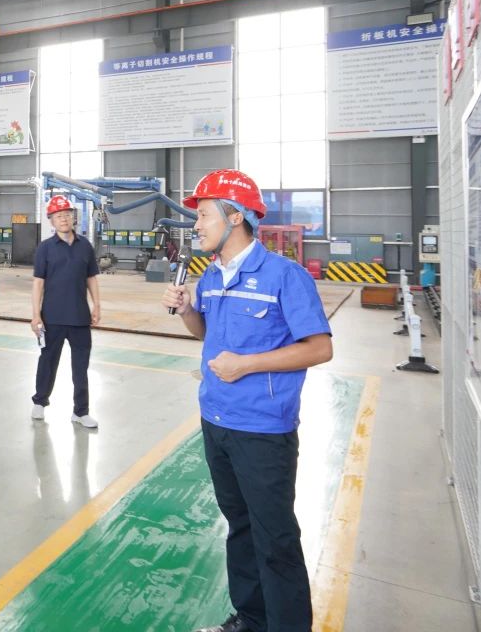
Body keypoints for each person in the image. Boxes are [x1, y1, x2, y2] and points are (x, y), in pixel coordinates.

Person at [161, 170, 333, 632]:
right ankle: (252, 620)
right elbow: (206, 334)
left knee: (275, 539)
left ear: (235, 217)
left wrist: (247, 365)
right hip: (216, 421)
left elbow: (320, 348)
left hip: (262, 430)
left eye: (203, 215)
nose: (196, 225)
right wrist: (187, 310)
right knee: (239, 526)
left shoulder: (284, 276)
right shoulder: (210, 276)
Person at [30, 195, 101, 429]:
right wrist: (36, 314)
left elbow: (91, 278)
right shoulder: (45, 248)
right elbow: (38, 283)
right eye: (59, 216)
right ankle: (40, 402)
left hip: (80, 317)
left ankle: (81, 412)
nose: (64, 219)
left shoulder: (85, 246)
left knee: (81, 367)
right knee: (47, 362)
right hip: (52, 318)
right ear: (51, 220)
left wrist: (97, 305)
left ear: (73, 218)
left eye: (67, 215)